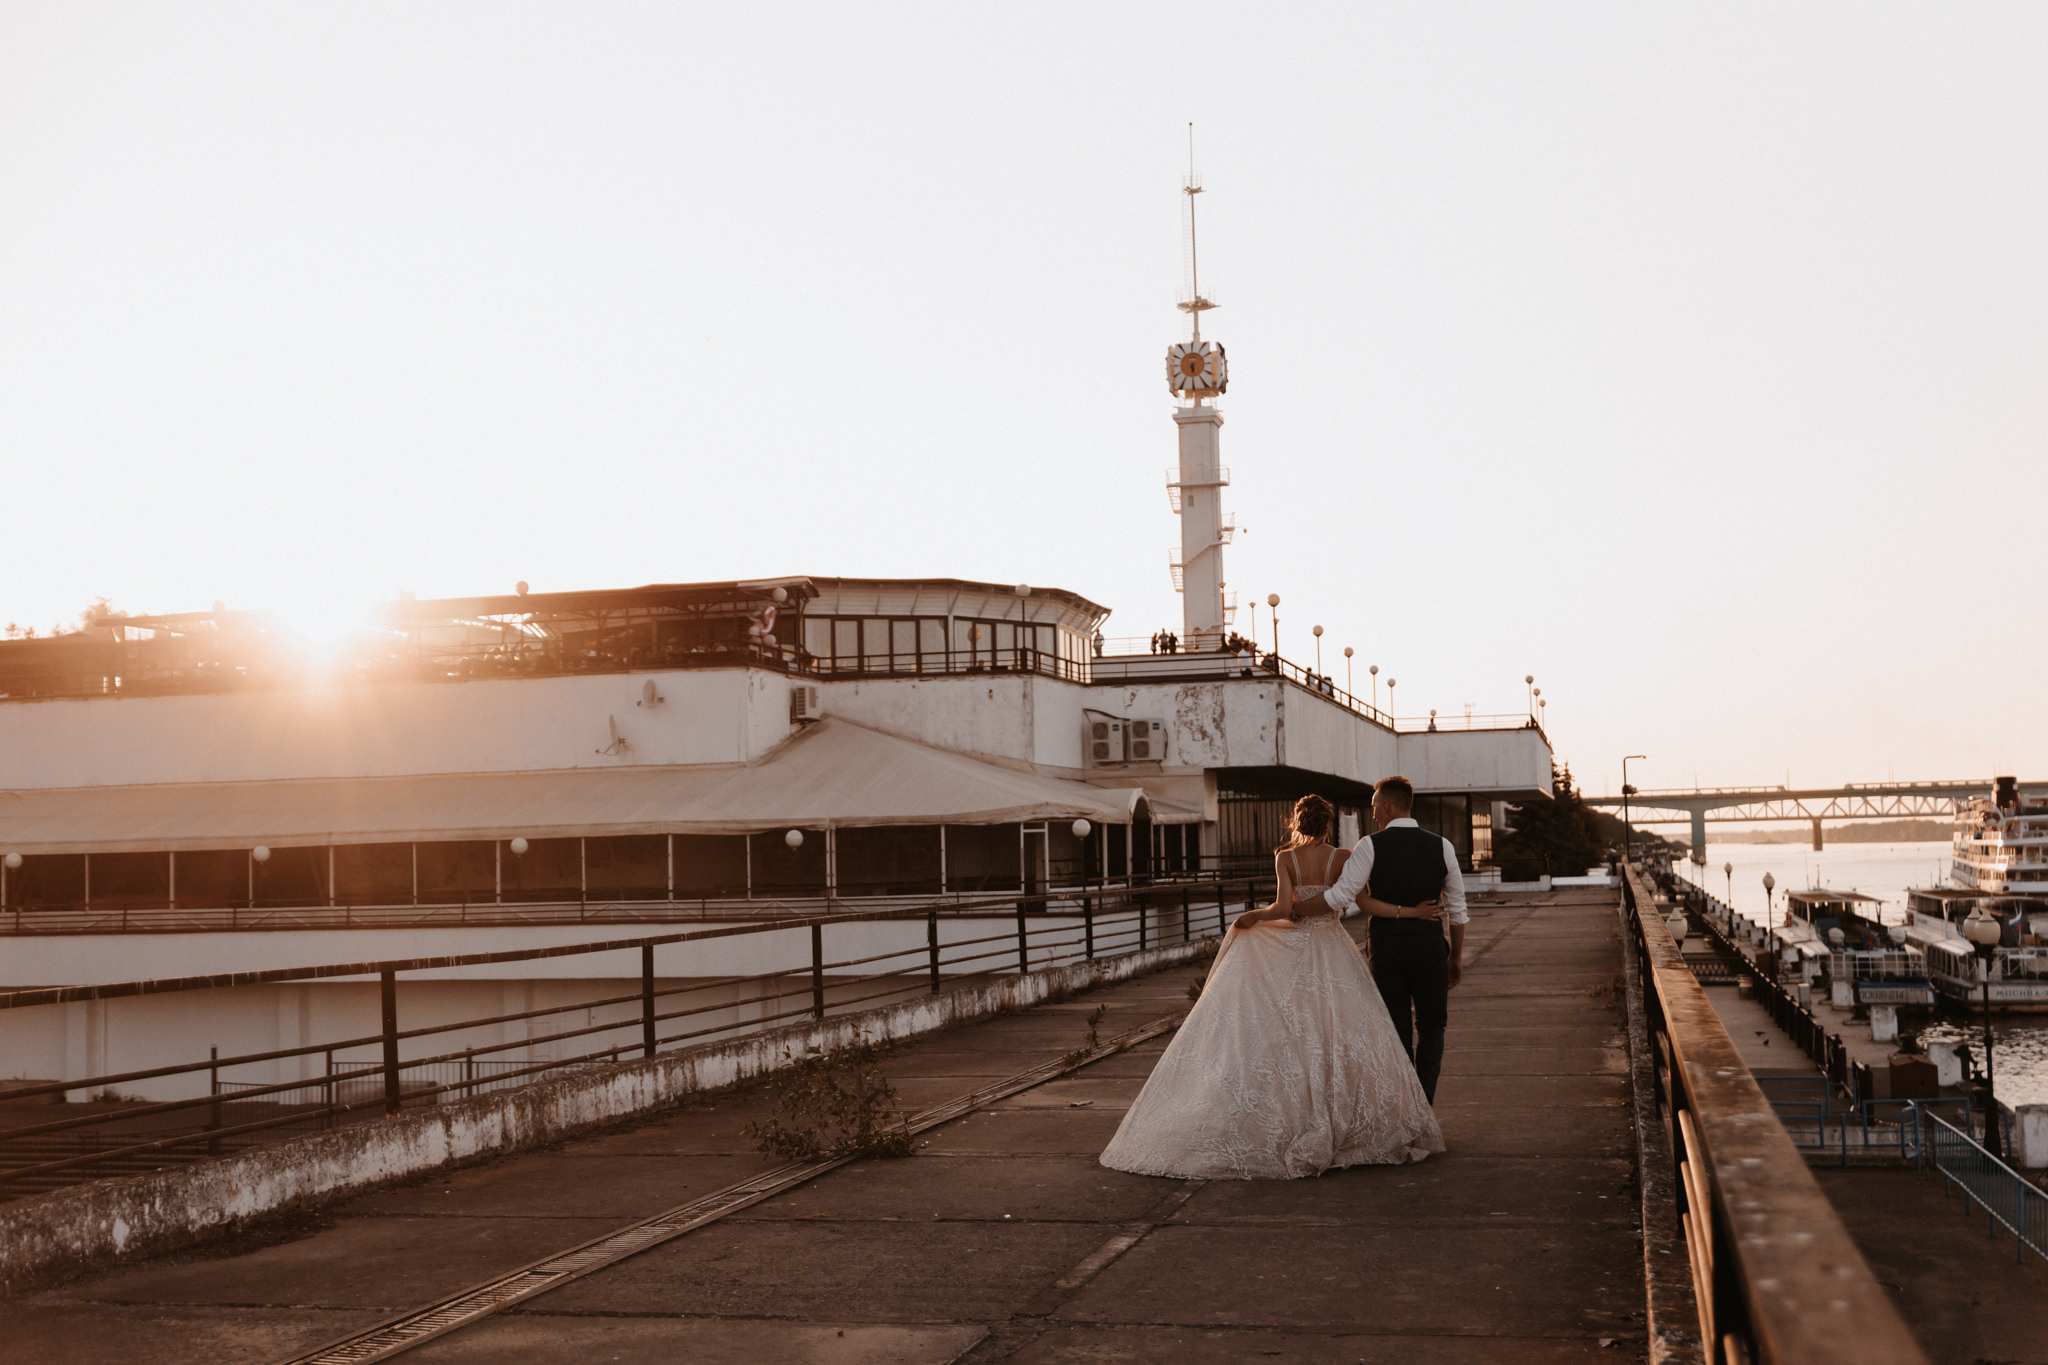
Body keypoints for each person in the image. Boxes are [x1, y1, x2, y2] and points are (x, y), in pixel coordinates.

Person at [1099, 795, 1443, 1179]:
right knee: (1341, 1031)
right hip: (1333, 947)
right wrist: (1411, 911)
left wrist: (1251, 916)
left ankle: (1296, 1114)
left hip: (1296, 949)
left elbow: (1281, 910)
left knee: (1290, 1034)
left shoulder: (1285, 858)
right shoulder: (1344, 857)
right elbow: (1361, 902)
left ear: (1297, 821)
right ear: (1328, 825)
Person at [1279, 775, 1466, 1103]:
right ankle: (1424, 1103)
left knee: (1397, 1032)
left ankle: (1407, 1109)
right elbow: (1458, 911)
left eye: (1375, 806)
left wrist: (1295, 909)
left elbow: (1340, 896)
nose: (1374, 813)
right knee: (1433, 1026)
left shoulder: (1369, 845)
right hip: (1429, 949)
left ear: (1389, 805)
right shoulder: (1443, 846)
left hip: (1387, 951)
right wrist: (1455, 957)